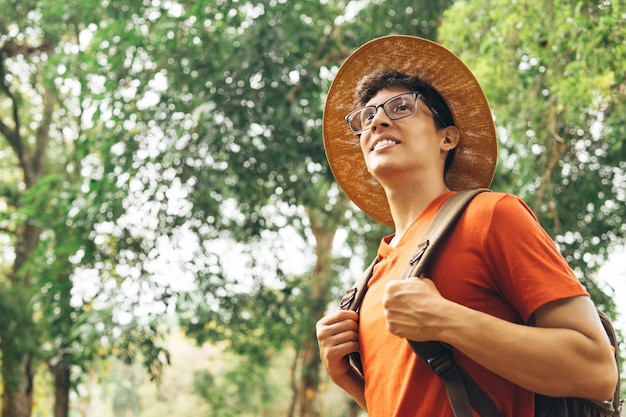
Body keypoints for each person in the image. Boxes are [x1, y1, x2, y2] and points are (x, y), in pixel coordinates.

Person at [315, 35, 617, 417]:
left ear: (448, 137)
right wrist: (347, 379)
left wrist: (443, 318)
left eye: (401, 106)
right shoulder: (368, 285)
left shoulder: (491, 216)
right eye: (367, 116)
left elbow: (596, 371)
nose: (378, 120)